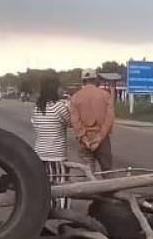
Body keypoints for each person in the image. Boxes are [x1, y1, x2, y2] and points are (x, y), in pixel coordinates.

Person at [31, 74, 72, 209]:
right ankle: (62, 214)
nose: (62, 90)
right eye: (60, 87)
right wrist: (69, 106)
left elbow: (35, 126)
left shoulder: (37, 108)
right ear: (54, 89)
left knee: (45, 184)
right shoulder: (59, 107)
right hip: (57, 155)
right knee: (62, 186)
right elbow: (70, 123)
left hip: (40, 153)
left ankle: (45, 211)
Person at [69, 70, 115, 172]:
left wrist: (84, 138)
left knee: (88, 173)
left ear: (83, 81)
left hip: (85, 141)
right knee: (108, 173)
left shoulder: (75, 98)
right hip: (102, 140)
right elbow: (109, 119)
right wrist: (99, 138)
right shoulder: (105, 95)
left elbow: (75, 121)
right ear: (96, 80)